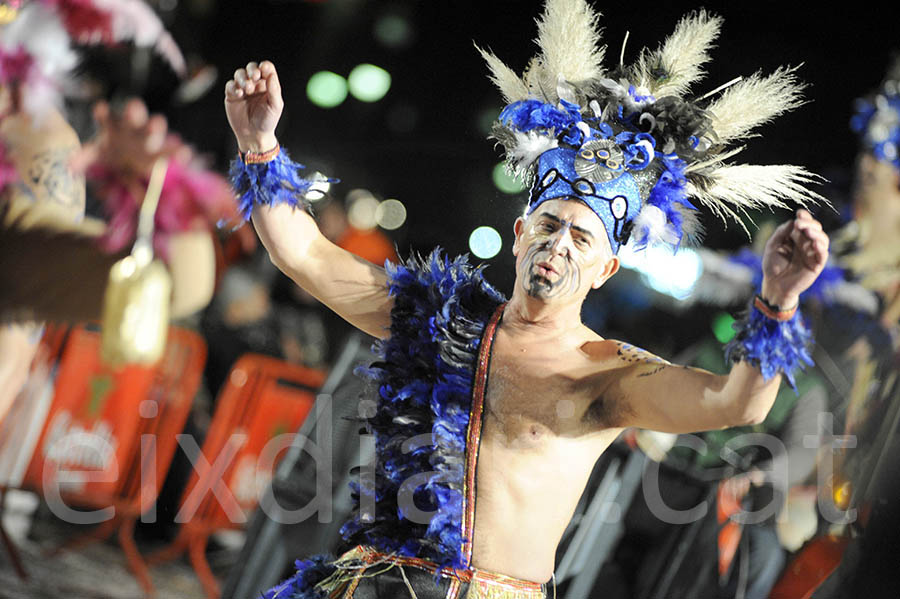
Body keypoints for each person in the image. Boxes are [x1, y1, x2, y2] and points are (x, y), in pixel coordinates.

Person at [224, 2, 830, 597]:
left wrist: (777, 303)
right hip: (377, 581)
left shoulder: (606, 373)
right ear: (519, 237)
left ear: (605, 267)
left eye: (581, 236)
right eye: (547, 225)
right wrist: (260, 146)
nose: (558, 245)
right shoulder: (435, 320)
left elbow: (736, 403)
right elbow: (303, 255)